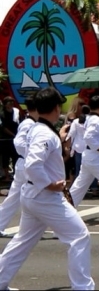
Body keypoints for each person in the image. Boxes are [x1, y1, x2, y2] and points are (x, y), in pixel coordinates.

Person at [0, 87, 95, 290]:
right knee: (79, 236)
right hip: (45, 196)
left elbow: (36, 156)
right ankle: (82, 287)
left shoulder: (37, 129)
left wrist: (58, 138)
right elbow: (33, 164)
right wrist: (50, 184)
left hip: (33, 194)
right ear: (55, 108)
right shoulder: (44, 133)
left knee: (22, 242)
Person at [0, 95, 37, 238]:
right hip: (26, 164)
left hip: (25, 163)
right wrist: (32, 154)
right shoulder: (28, 124)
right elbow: (19, 142)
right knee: (40, 195)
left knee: (15, 197)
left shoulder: (32, 122)